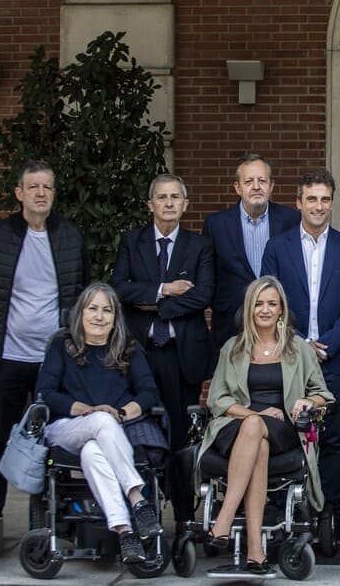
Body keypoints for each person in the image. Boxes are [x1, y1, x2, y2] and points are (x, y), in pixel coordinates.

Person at [0, 160, 89, 517]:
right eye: (33, 187)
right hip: (6, 357)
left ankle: (51, 520)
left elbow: (80, 291)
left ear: (54, 193)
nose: (41, 193)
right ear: (19, 193)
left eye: (47, 187)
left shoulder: (69, 237)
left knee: (55, 438)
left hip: (54, 360)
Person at [199, 276, 333, 577]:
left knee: (259, 431)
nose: (265, 309)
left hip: (282, 427)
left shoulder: (298, 348)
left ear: (282, 309)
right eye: (259, 303)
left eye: (272, 303)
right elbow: (217, 398)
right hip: (234, 424)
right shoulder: (232, 348)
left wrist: (307, 403)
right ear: (249, 309)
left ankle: (225, 518)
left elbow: (323, 393)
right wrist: (249, 414)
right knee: (255, 433)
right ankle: (256, 552)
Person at [261, 169, 340, 534]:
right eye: (311, 199)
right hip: (289, 356)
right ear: (298, 203)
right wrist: (299, 344)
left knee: (333, 439)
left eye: (325, 199)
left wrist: (327, 346)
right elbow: (269, 301)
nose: (318, 206)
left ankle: (330, 513)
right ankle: (283, 508)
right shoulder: (277, 247)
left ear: (332, 204)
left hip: (335, 360)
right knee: (285, 432)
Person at [35, 283, 163, 565]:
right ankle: (137, 499)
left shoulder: (128, 348)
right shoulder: (61, 345)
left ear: (115, 317)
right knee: (99, 422)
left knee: (93, 451)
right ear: (80, 313)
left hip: (111, 431)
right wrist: (89, 411)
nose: (99, 316)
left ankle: (125, 531)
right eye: (93, 309)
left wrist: (119, 413)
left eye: (107, 310)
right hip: (67, 427)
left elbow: (148, 393)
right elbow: (45, 393)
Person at [111, 173, 214, 524]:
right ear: (150, 204)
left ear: (185, 205)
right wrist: (165, 290)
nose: (168, 203)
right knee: (139, 431)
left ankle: (184, 517)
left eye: (175, 197)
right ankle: (144, 509)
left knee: (181, 434)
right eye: (162, 197)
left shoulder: (199, 245)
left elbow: (204, 294)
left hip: (181, 355)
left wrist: (153, 304)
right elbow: (120, 290)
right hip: (139, 355)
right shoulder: (131, 241)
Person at [202, 154, 301, 351]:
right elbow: (209, 277)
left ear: (271, 185)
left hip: (280, 323)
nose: (256, 186)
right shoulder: (216, 224)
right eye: (249, 181)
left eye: (262, 181)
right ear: (238, 187)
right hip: (230, 323)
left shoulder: (291, 220)